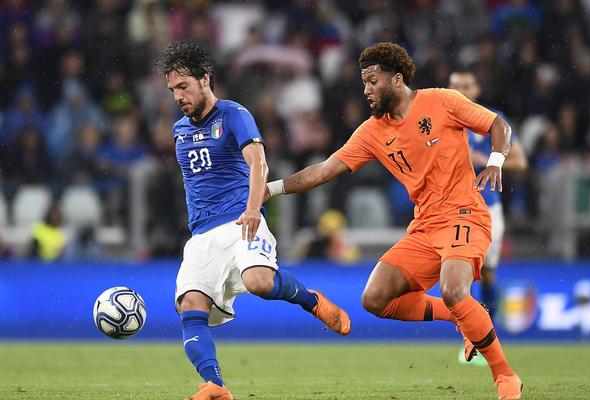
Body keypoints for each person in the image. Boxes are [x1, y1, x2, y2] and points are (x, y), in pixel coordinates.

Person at [266, 42, 522, 400]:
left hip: (465, 213)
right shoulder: (372, 131)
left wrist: (495, 161)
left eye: (373, 82)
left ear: (397, 79)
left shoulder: (442, 101)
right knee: (375, 299)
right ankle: (463, 315)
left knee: (453, 288)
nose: (366, 90)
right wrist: (269, 189)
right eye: (364, 83)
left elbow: (498, 125)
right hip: (425, 226)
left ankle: (505, 376)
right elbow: (323, 170)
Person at [156, 40, 350, 400]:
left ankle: (311, 300)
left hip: (241, 220)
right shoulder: (179, 130)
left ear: (205, 79)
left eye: (183, 86)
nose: (178, 96)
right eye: (172, 90)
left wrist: (251, 207)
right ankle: (215, 385)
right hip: (202, 235)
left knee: (259, 282)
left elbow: (258, 163)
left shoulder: (233, 114)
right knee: (190, 307)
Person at [449, 69, 528, 365]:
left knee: (487, 274)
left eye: (466, 85)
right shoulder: (442, 120)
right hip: (452, 209)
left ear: (477, 90)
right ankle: (470, 340)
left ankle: (486, 339)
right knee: (460, 275)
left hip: (488, 207)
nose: (460, 90)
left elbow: (520, 161)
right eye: (455, 85)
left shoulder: (492, 121)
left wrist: (485, 161)